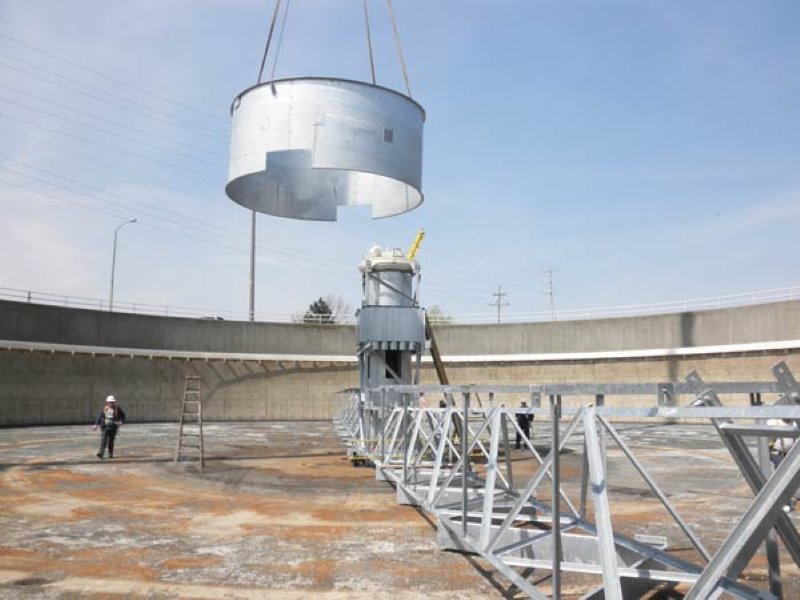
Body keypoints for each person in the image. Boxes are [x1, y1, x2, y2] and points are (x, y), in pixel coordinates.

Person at [768, 417, 799, 512]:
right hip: (777, 454)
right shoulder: (775, 422)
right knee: (784, 477)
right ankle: (787, 503)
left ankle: (794, 498)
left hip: (790, 454)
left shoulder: (795, 424)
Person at [92, 395, 126, 459]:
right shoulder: (105, 408)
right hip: (105, 427)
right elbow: (100, 416)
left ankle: (110, 454)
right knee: (103, 440)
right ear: (107, 402)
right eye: (110, 402)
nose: (111, 403)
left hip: (113, 427)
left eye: (112, 402)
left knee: (111, 441)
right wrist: (96, 424)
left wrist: (121, 421)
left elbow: (123, 415)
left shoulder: (117, 408)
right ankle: (101, 453)